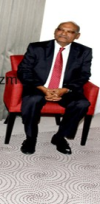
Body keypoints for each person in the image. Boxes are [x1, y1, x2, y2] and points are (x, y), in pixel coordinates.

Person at [17, 21, 92, 155]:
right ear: (55, 31)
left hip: (66, 89)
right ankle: (30, 138)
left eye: (70, 31)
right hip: (38, 87)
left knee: (82, 103)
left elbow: (84, 75)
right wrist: (42, 88)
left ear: (77, 36)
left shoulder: (84, 51)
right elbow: (24, 70)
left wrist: (65, 89)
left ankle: (59, 137)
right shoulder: (36, 47)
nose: (63, 33)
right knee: (32, 100)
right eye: (61, 29)